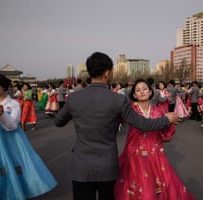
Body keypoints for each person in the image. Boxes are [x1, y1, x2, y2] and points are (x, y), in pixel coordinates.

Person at [54, 52, 180, 200]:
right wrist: (166, 119)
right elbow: (143, 124)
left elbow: (58, 121)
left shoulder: (75, 98)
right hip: (107, 166)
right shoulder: (117, 100)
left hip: (81, 166)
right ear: (107, 73)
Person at [0, 72, 57, 199]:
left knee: (13, 168)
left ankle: (15, 193)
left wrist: (1, 114)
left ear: (4, 86)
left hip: (11, 142)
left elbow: (12, 126)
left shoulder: (14, 104)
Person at [114, 79, 194, 200]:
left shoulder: (158, 111)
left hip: (155, 153)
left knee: (165, 184)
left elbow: (166, 135)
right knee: (139, 187)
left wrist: (170, 123)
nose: (142, 92)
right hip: (135, 153)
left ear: (151, 92)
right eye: (138, 90)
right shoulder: (130, 110)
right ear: (134, 95)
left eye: (145, 89)